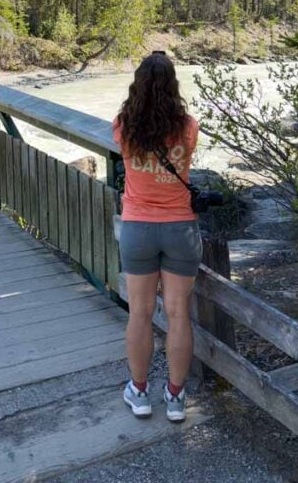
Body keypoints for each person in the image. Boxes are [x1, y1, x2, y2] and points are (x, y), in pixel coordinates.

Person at [113, 51, 202, 423]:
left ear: (138, 85)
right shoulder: (189, 126)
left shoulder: (123, 125)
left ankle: (139, 390)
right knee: (179, 314)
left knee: (140, 313)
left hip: (137, 228)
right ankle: (177, 396)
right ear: (173, 86)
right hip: (180, 226)